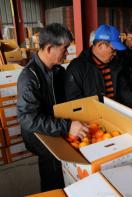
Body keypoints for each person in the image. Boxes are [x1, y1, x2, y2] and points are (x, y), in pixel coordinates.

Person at [17, 23, 89, 192]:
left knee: (66, 173)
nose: (67, 53)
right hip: (41, 136)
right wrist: (68, 126)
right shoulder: (29, 78)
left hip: (58, 128)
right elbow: (29, 119)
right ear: (49, 48)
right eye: (64, 49)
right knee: (52, 176)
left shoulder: (58, 71)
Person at [65, 24, 132, 109]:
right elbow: (74, 103)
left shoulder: (116, 63)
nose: (115, 54)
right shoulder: (77, 68)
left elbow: (123, 90)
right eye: (113, 50)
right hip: (93, 119)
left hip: (116, 114)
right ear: (100, 45)